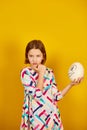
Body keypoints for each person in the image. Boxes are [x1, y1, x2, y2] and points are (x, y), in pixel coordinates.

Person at [20, 40, 83, 130]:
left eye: (38, 56)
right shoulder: (25, 73)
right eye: (31, 56)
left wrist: (71, 84)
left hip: (51, 117)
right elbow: (37, 95)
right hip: (35, 118)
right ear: (27, 56)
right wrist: (41, 73)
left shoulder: (49, 72)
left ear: (43, 56)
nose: (34, 60)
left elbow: (56, 97)